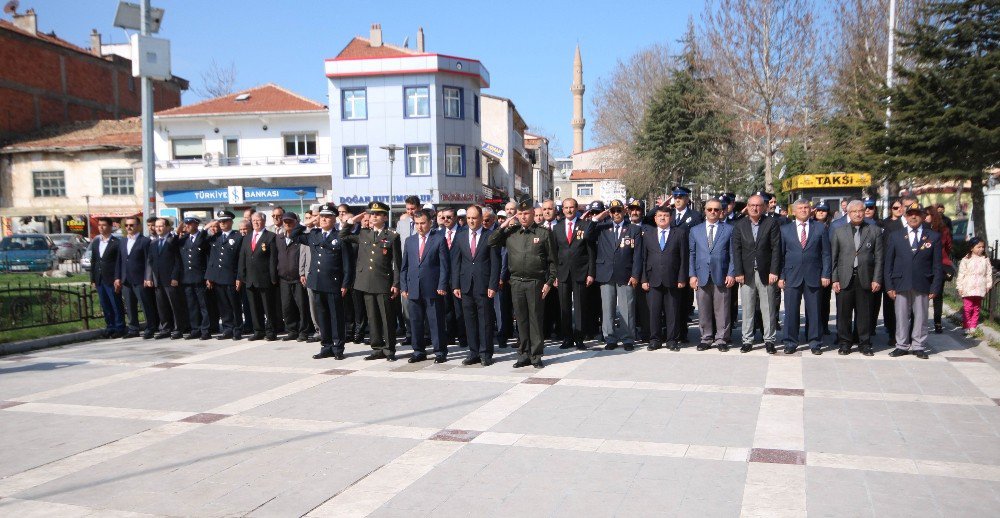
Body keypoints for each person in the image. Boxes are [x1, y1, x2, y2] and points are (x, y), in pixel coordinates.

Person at [488, 197, 557, 368]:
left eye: (526, 213)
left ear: (533, 214)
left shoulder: (543, 233)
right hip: (516, 282)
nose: (523, 217)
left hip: (536, 282)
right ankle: (523, 354)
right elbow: (491, 241)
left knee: (535, 319)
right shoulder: (511, 233)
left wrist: (549, 281)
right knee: (520, 319)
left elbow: (553, 261)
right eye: (520, 214)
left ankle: (536, 355)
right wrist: (504, 225)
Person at [342, 201, 402, 361]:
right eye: (372, 214)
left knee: (386, 318)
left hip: (383, 282)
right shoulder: (364, 233)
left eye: (377, 214)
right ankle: (377, 348)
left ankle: (389, 349)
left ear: (384, 217)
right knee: (372, 317)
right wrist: (353, 220)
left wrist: (396, 283)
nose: (373, 217)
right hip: (366, 282)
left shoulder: (392, 235)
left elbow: (397, 262)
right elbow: (343, 236)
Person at [885, 203, 942, 359]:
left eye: (917, 214)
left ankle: (918, 346)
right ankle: (901, 345)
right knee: (901, 316)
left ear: (923, 216)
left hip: (923, 282)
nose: (914, 217)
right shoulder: (896, 236)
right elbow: (888, 263)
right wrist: (889, 285)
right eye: (910, 214)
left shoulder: (933, 237)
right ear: (905, 215)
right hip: (901, 283)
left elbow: (937, 265)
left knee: (921, 316)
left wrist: (935, 287)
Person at [586, 200, 643, 351]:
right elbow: (587, 236)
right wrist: (598, 217)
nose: (616, 213)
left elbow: (638, 255)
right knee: (607, 308)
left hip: (626, 273)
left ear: (624, 211)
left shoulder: (633, 229)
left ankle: (628, 338)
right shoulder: (602, 228)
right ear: (609, 213)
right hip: (606, 273)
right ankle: (610, 337)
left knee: (627, 308)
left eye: (619, 210)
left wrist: (635, 274)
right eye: (613, 211)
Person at [778, 199, 832, 355]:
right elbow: (780, 255)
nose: (803, 210)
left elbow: (826, 254)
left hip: (814, 275)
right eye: (800, 208)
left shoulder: (820, 228)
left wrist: (825, 274)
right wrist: (781, 276)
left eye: (806, 207)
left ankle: (815, 341)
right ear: (793, 211)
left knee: (814, 310)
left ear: (811, 210)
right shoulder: (785, 230)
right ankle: (790, 341)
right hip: (791, 275)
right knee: (791, 310)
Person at [830, 200, 883, 356]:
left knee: (864, 313)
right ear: (848, 213)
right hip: (845, 277)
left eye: (861, 210)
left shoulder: (874, 231)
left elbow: (879, 258)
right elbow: (834, 257)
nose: (858, 214)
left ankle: (864, 343)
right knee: (843, 313)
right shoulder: (839, 231)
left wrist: (877, 279)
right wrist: (835, 279)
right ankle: (845, 343)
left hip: (865, 277)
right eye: (854, 211)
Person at [300, 204, 353, 359]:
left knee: (336, 317)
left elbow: (347, 263)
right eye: (321, 216)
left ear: (334, 218)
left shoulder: (340, 236)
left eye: (327, 216)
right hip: (316, 282)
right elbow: (294, 234)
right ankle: (326, 346)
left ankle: (338, 348)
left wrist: (345, 283)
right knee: (322, 316)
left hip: (334, 283)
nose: (323, 219)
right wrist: (310, 222)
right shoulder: (314, 234)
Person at [452, 205, 501, 366]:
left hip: (484, 285)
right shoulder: (460, 236)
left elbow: (495, 263)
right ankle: (473, 352)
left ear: (481, 218)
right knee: (469, 320)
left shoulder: (490, 235)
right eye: (469, 218)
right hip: (465, 285)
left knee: (485, 320)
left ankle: (486, 353)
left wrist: (493, 285)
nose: (471, 221)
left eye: (474, 218)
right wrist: (456, 285)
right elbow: (456, 262)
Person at [732, 195, 782, 353]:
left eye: (758, 205)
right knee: (747, 308)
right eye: (752, 205)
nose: (755, 208)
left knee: (768, 308)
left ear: (765, 207)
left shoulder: (771, 223)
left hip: (766, 272)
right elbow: (736, 250)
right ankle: (747, 340)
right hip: (747, 273)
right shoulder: (740, 225)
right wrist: (738, 272)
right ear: (747, 206)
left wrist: (774, 271)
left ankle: (769, 340)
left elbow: (776, 249)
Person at [400, 209, 451, 363]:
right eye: (417, 224)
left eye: (422, 223)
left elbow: (444, 266)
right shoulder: (410, 241)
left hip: (433, 288)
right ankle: (418, 350)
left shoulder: (439, 239)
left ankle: (440, 351)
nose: (420, 227)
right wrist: (404, 286)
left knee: (435, 321)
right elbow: (405, 266)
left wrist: (442, 284)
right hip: (414, 288)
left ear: (430, 223)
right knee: (415, 321)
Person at [688, 198, 736, 351]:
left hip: (721, 274)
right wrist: (692, 275)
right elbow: (692, 254)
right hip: (701, 274)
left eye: (716, 209)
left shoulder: (728, 229)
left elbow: (733, 254)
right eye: (710, 209)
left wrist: (731, 273)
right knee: (703, 308)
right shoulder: (695, 230)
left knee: (722, 308)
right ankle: (706, 338)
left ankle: (722, 338)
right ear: (705, 211)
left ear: (721, 211)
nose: (713, 212)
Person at [641, 206, 688, 351]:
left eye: (666, 215)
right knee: (654, 311)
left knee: (672, 311)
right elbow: (643, 258)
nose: (662, 218)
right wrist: (643, 279)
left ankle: (672, 339)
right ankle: (654, 339)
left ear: (671, 218)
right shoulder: (648, 234)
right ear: (655, 218)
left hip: (673, 279)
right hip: (652, 278)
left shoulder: (679, 233)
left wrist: (682, 278)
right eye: (660, 215)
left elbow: (683, 258)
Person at [552, 197, 593, 350]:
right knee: (564, 307)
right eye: (566, 208)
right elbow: (554, 253)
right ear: (562, 210)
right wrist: (554, 274)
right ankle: (567, 338)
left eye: (571, 207)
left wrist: (591, 273)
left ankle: (579, 338)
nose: (569, 210)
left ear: (576, 209)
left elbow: (590, 251)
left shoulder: (585, 225)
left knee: (580, 306)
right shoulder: (557, 228)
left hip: (580, 271)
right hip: (562, 272)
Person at [238, 213, 279, 341]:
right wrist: (241, 275)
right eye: (254, 220)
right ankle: (258, 330)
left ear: (264, 221)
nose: (256, 222)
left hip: (264, 278)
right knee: (254, 307)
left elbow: (273, 259)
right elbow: (242, 257)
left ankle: (271, 331)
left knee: (268, 307)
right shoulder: (247, 237)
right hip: (250, 278)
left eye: (258, 220)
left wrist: (273, 278)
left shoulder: (270, 237)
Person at [146, 217, 189, 339]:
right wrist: (149, 277)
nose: (158, 228)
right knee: (162, 305)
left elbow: (177, 261)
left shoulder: (172, 240)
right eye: (156, 226)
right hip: (157, 279)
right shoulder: (153, 242)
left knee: (175, 305)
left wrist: (175, 277)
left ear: (167, 227)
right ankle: (165, 328)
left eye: (161, 226)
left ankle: (178, 328)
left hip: (170, 278)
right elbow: (150, 261)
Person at [205, 210, 244, 340]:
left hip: (231, 277)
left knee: (234, 305)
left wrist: (239, 277)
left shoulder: (238, 237)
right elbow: (212, 259)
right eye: (220, 221)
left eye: (225, 221)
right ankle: (228, 328)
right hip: (218, 277)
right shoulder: (215, 237)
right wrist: (210, 276)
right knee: (223, 305)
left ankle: (237, 328)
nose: (222, 223)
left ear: (231, 222)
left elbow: (240, 259)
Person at [117, 216, 158, 339]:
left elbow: (148, 261)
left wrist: (148, 277)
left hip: (140, 278)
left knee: (145, 304)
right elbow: (119, 260)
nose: (129, 227)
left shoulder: (144, 241)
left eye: (131, 225)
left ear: (138, 226)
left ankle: (150, 327)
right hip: (126, 279)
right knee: (130, 305)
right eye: (127, 225)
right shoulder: (123, 241)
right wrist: (117, 277)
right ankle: (133, 328)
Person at [276, 212, 312, 341]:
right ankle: (292, 330)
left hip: (298, 278)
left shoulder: (301, 237)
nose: (287, 224)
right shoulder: (278, 238)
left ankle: (304, 331)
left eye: (290, 221)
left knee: (302, 306)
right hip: (284, 278)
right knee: (287, 306)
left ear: (296, 222)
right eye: (285, 221)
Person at [90, 217, 125, 338]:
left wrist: (118, 277)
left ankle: (120, 327)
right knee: (105, 304)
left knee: (115, 303)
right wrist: (93, 279)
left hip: (112, 278)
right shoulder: (96, 242)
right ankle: (110, 326)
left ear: (110, 227)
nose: (100, 227)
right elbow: (94, 261)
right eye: (99, 225)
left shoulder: (116, 242)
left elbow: (119, 262)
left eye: (104, 225)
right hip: (100, 278)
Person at [437, 207, 466, 349]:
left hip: (459, 277)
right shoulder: (438, 233)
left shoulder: (463, 232)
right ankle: (450, 336)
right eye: (443, 218)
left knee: (460, 309)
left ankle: (463, 337)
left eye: (449, 217)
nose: (446, 220)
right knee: (446, 309)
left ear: (455, 218)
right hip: (443, 278)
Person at [179, 216, 212, 340]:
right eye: (186, 224)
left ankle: (205, 329)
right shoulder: (184, 239)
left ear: (196, 225)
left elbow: (205, 251)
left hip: (200, 277)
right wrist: (178, 230)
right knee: (192, 305)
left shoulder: (203, 237)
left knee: (203, 305)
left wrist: (204, 230)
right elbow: (172, 243)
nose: (186, 226)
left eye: (189, 224)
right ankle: (195, 328)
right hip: (187, 277)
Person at [395, 195, 422, 346]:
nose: (410, 211)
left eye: (413, 208)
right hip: (406, 268)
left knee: (421, 304)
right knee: (405, 304)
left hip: (421, 267)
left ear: (418, 208)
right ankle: (409, 333)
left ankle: (424, 334)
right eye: (408, 209)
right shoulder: (402, 223)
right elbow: (397, 246)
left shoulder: (424, 222)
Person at [956, 238, 992, 337]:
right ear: (972, 248)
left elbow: (988, 273)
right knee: (968, 308)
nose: (981, 249)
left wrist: (988, 285)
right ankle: (966, 324)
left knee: (976, 308)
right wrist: (960, 286)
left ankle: (973, 325)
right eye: (978, 247)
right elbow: (961, 274)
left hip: (980, 287)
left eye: (982, 247)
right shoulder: (966, 259)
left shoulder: (985, 259)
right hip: (968, 287)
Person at [925, 208, 954, 334]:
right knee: (923, 295)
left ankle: (937, 322)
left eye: (927, 215)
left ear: (933, 216)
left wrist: (942, 257)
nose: (924, 217)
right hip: (925, 266)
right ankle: (922, 321)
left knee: (937, 295)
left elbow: (949, 247)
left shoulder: (944, 231)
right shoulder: (922, 230)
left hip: (939, 266)